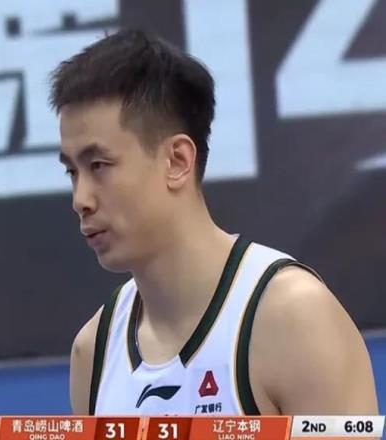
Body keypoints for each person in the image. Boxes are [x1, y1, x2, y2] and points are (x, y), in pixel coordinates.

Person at [49, 29, 378, 416]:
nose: (81, 199)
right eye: (72, 172)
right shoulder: (94, 354)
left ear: (177, 161)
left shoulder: (294, 319)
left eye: (99, 165)